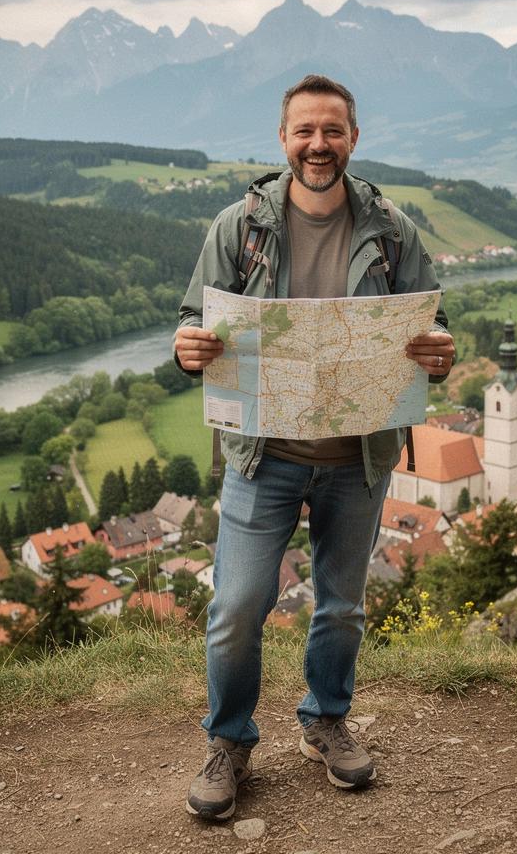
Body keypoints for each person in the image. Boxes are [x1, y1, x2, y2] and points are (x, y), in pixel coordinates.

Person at [174, 73, 454, 819]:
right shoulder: (239, 226)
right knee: (238, 605)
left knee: (341, 608)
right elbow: (193, 323)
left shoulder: (393, 231)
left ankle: (325, 720)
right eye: (305, 131)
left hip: (358, 458)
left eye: (333, 131)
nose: (318, 145)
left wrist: (438, 351)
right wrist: (187, 347)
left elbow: (431, 324)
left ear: (353, 138)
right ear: (283, 139)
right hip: (262, 456)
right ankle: (229, 741)